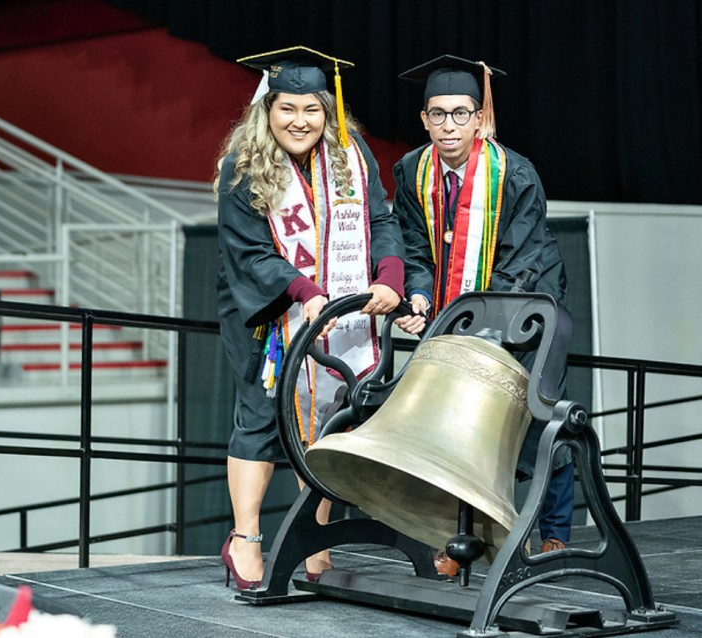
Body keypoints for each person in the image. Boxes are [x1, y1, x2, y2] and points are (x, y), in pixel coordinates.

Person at [214, 46, 405, 591]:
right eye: (287, 109)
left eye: (312, 110)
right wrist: (303, 290)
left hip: (337, 312)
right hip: (268, 315)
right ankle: (245, 539)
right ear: (267, 111)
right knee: (259, 417)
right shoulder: (243, 167)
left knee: (324, 420)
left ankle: (311, 542)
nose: (300, 121)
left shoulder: (350, 154)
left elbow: (379, 220)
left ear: (328, 111)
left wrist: (390, 274)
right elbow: (248, 254)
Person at [391, 55, 574, 573]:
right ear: (423, 118)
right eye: (438, 114)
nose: (449, 125)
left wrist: (473, 324)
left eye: (460, 113)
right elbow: (413, 248)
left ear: (479, 117)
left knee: (537, 421)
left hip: (528, 310)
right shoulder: (411, 170)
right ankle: (457, 538)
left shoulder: (514, 173)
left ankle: (555, 532)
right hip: (453, 313)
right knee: (452, 425)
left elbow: (526, 255)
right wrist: (420, 298)